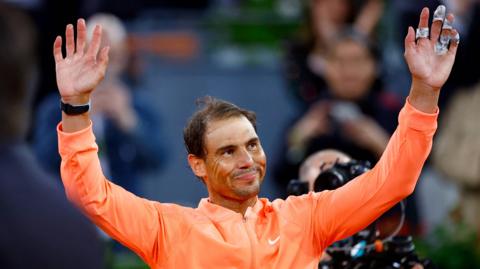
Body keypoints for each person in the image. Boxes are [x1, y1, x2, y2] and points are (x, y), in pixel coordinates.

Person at [53, 5, 458, 268]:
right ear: (197, 165)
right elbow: (90, 194)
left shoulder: (305, 218)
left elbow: (393, 180)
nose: (248, 159)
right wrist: (75, 105)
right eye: (227, 151)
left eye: (252, 144)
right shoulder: (167, 228)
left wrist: (425, 90)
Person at [0, 4, 104, 268]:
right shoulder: (68, 231)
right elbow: (43, 159)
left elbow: (157, 155)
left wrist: (127, 121)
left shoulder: (134, 106)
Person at [33, 13, 167, 194]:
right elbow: (42, 162)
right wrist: (77, 115)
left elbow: (159, 159)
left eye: (112, 56)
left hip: (124, 212)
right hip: (72, 211)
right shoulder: (55, 107)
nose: (104, 65)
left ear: (124, 59)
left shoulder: (139, 104)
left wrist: (129, 122)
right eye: (95, 55)